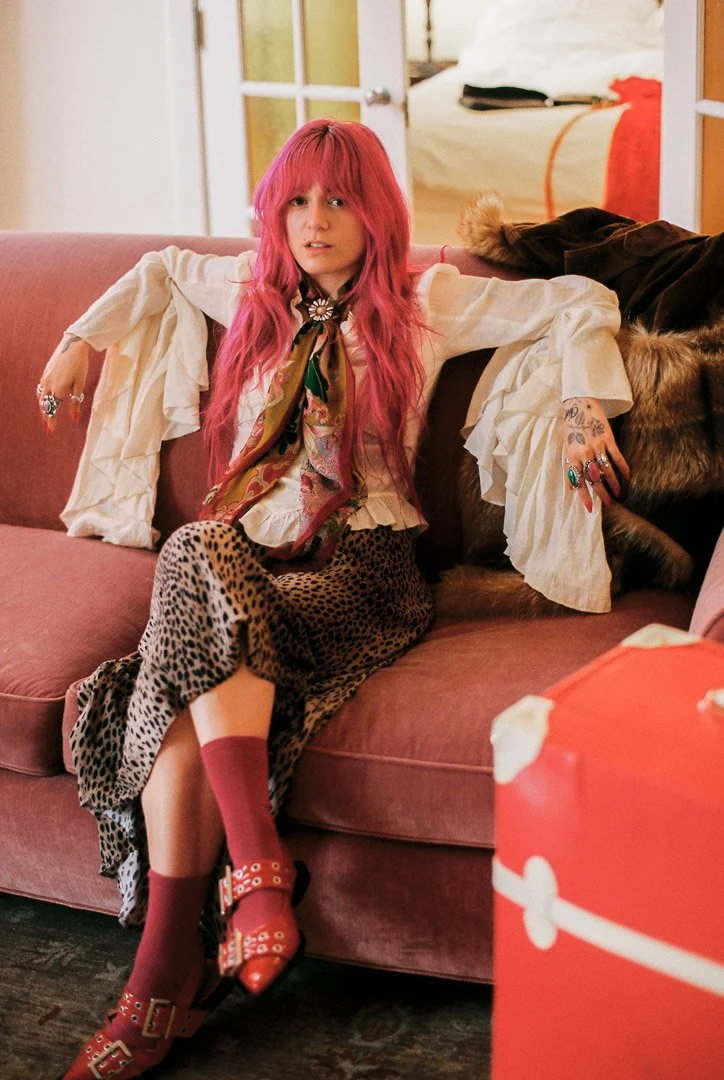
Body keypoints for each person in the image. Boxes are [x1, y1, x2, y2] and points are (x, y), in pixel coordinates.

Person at [38, 119, 630, 1079]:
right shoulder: (251, 293)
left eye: (339, 199)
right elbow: (161, 270)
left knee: (186, 641)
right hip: (247, 564)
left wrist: (577, 404)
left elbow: (580, 299)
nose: (315, 220)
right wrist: (77, 340)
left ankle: (168, 976)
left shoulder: (426, 300)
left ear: (375, 211)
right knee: (198, 558)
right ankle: (224, 917)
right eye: (297, 200)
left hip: (363, 568)